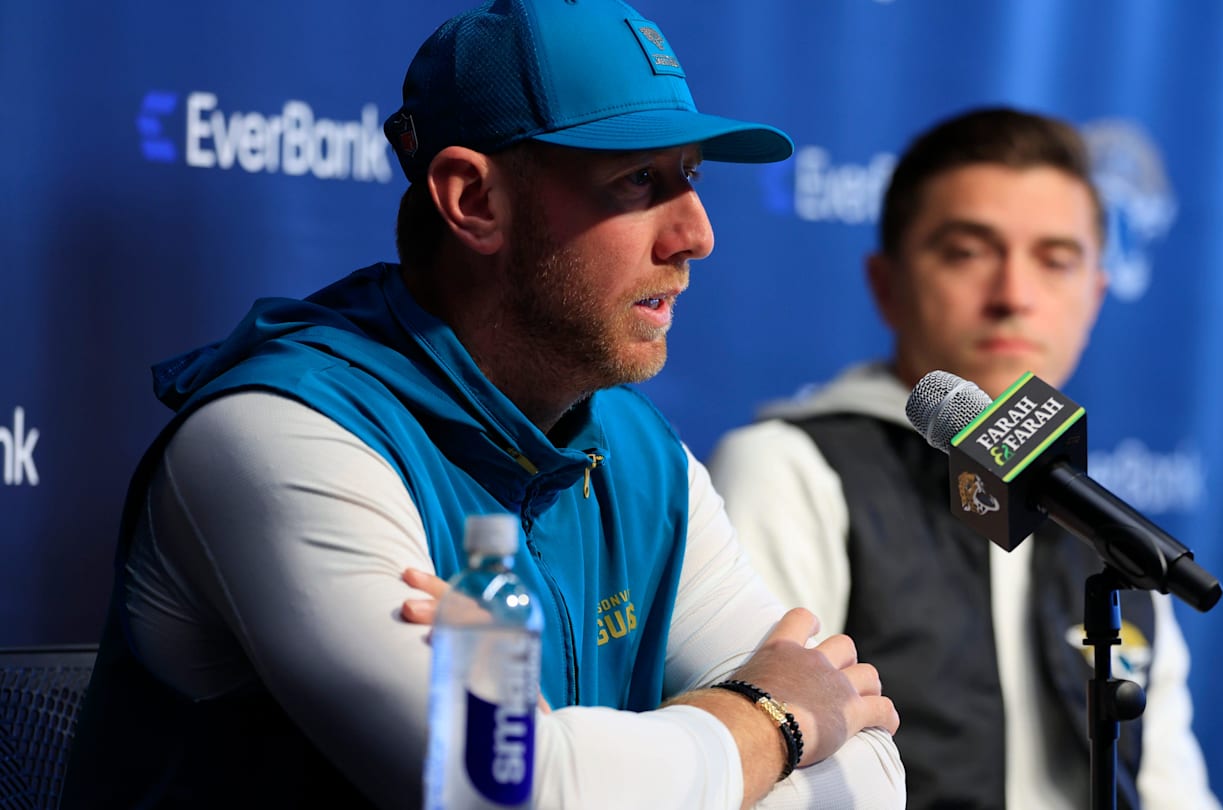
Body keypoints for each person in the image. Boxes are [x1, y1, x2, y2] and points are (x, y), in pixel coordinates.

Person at [61, 2, 904, 808]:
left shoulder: (644, 460)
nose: (696, 234)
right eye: (639, 179)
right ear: (474, 200)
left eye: (690, 176)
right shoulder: (279, 437)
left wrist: (669, 763)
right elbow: (511, 788)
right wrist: (773, 716)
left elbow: (869, 774)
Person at [708, 107, 1221, 810]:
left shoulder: (1104, 523)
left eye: (1055, 260)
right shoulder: (791, 470)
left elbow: (1170, 790)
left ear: (1096, 296)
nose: (1012, 296)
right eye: (967, 252)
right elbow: (760, 771)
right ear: (886, 284)